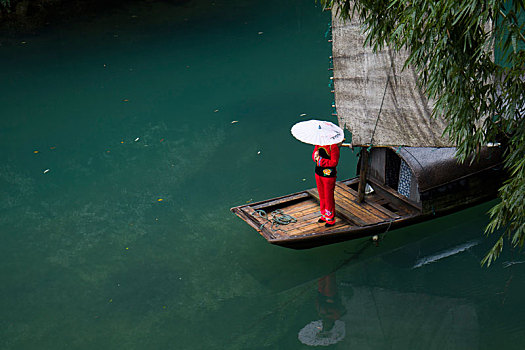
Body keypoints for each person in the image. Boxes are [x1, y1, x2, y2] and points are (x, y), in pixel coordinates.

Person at [313, 143, 340, 227]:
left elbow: (334, 162)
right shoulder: (318, 143)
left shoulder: (333, 146)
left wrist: (320, 160)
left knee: (328, 196)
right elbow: (314, 157)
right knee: (322, 195)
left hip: (328, 176)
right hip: (318, 173)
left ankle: (330, 218)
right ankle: (324, 214)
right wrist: (315, 155)